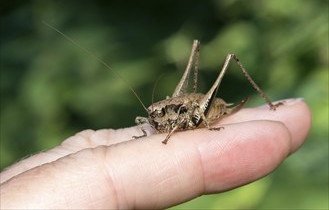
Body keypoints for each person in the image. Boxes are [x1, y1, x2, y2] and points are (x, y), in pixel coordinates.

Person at [0, 98, 311, 209]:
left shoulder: (179, 117)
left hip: (201, 110)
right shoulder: (154, 119)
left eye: (159, 116)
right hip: (185, 111)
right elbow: (146, 123)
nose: (154, 121)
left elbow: (180, 119)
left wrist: (196, 121)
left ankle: (271, 104)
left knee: (230, 58)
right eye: (154, 117)